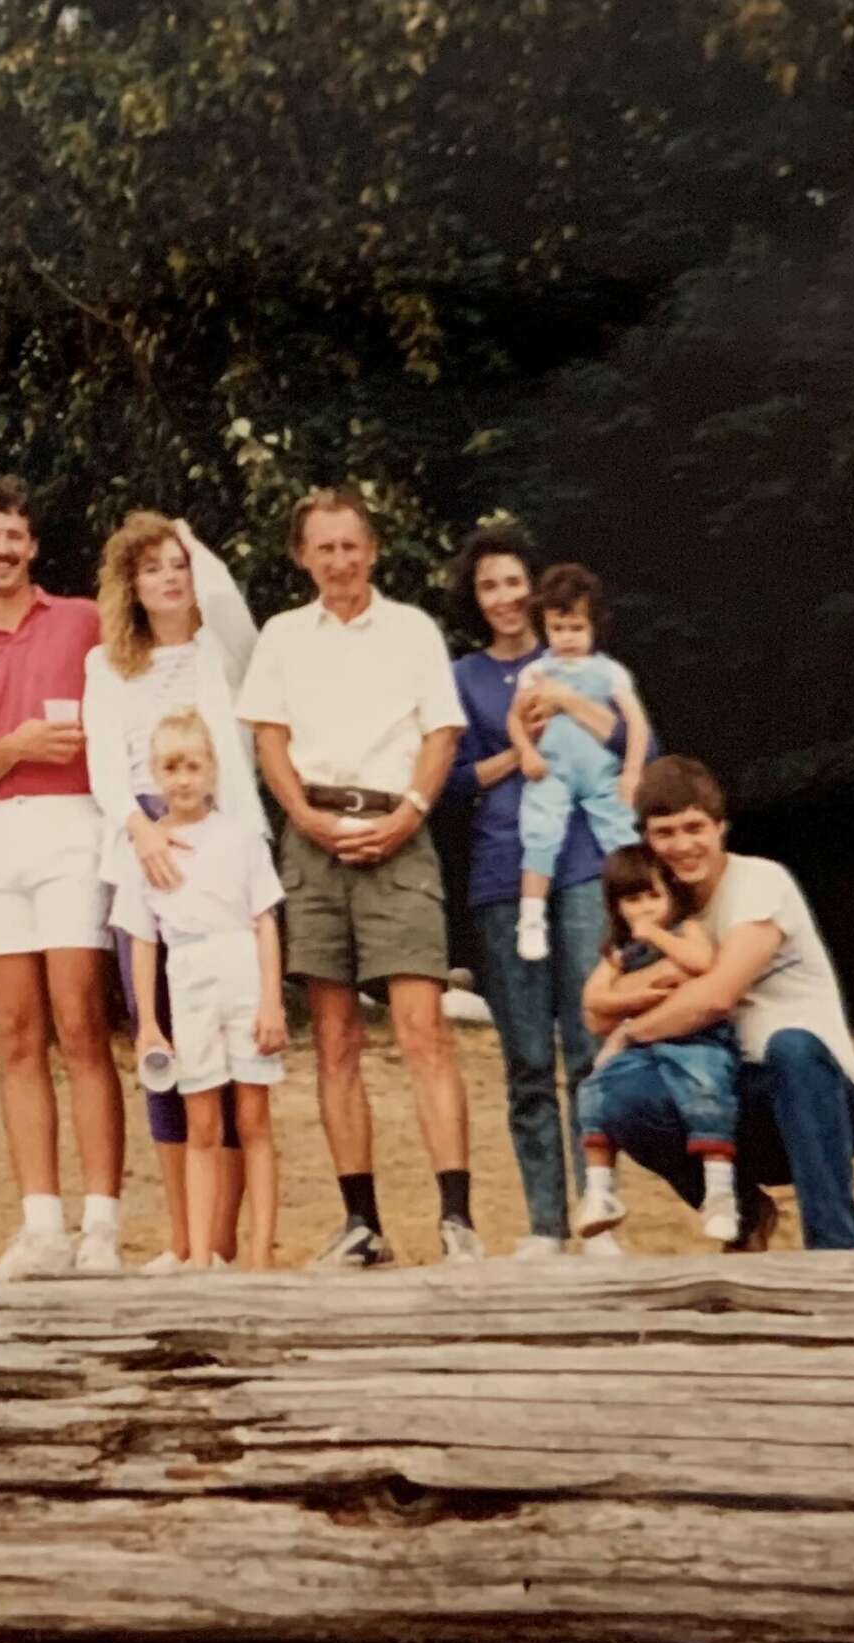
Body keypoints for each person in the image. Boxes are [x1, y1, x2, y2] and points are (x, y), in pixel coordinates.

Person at [239, 488, 476, 1267]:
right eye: (323, 547)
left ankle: (456, 1219)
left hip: (396, 833)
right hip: (313, 838)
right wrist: (301, 814)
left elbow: (441, 734)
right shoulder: (280, 635)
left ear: (372, 549)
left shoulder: (410, 630)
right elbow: (270, 737)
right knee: (334, 1037)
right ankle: (361, 1222)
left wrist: (409, 814)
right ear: (303, 556)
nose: (339, 561)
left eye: (351, 545)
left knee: (422, 1029)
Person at [0, 475, 126, 1280]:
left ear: (33, 546)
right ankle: (41, 1224)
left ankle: (102, 1226)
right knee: (15, 1034)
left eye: (16, 535)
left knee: (80, 1024)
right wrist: (13, 748)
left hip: (73, 827)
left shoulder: (84, 619)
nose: (3, 549)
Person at [444, 523, 635, 1258]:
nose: (503, 597)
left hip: (583, 862)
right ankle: (545, 1223)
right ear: (475, 594)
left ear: (538, 585)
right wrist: (511, 751)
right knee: (526, 1057)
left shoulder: (579, 656)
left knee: (589, 1043)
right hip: (501, 869)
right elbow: (452, 780)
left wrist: (566, 711)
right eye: (488, 584)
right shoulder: (462, 678)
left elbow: (626, 743)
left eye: (514, 580)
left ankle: (601, 1209)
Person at [582, 756, 854, 1251]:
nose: (683, 845)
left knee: (792, 1047)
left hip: (808, 1097)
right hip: (716, 1095)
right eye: (665, 832)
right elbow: (593, 1010)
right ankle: (742, 1214)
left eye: (695, 827)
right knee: (622, 1093)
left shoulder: (759, 883)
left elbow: (716, 996)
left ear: (721, 827)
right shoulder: (660, 907)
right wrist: (655, 978)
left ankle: (834, 1248)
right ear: (647, 839)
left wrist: (631, 1027)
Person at [82, 511, 265, 1273]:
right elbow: (101, 761)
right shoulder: (106, 664)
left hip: (222, 847)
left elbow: (227, 606)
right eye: (150, 566)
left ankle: (224, 1243)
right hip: (142, 848)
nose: (167, 576)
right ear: (129, 582)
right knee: (164, 1044)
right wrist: (139, 827)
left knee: (231, 1050)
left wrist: (196, 540)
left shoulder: (222, 653)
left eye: (176, 565)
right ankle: (183, 1240)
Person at [113, 709, 288, 1270]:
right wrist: (148, 1023)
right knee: (202, 1122)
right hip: (186, 977)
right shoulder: (145, 848)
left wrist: (271, 1001)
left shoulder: (240, 838)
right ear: (154, 774)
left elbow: (265, 921)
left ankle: (260, 1253)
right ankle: (200, 1255)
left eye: (193, 766)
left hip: (240, 967)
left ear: (212, 769)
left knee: (254, 1119)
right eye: (171, 767)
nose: (183, 779)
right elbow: (141, 939)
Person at [576, 845, 738, 1243]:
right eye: (633, 899)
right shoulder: (619, 952)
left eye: (654, 896)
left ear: (671, 896)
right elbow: (594, 1000)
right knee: (595, 1090)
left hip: (695, 1038)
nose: (645, 908)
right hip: (641, 1047)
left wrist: (658, 936)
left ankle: (720, 1193)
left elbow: (702, 963)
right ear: (617, 907)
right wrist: (641, 997)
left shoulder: (686, 930)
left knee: (705, 1090)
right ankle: (600, 1191)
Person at [505, 564, 652, 963]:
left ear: (593, 627)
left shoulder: (609, 672)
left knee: (623, 840)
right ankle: (531, 917)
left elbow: (637, 726)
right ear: (544, 627)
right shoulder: (536, 672)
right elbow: (514, 720)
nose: (567, 638)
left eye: (576, 628)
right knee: (540, 832)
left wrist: (633, 772)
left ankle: (636, 922)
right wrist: (528, 753)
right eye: (558, 628)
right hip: (552, 770)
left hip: (602, 773)